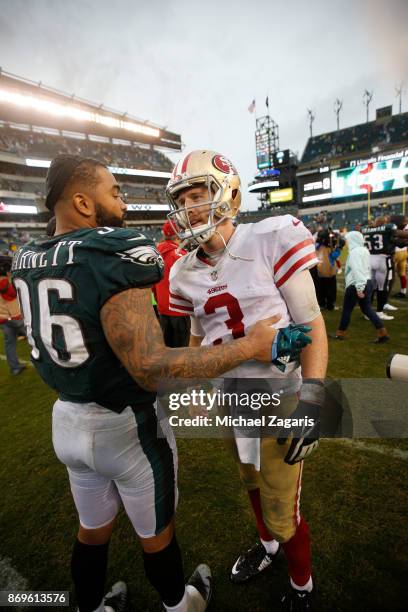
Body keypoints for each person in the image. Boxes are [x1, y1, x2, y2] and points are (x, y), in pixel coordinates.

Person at [11, 154, 289, 612]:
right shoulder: (111, 250)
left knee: (91, 530)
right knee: (156, 536)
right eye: (114, 191)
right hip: (126, 425)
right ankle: (180, 603)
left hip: (66, 418)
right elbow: (151, 367)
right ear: (83, 201)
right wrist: (251, 347)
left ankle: (90, 607)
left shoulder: (27, 257)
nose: (122, 201)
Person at [167, 150, 328, 610]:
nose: (188, 209)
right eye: (181, 200)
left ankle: (302, 587)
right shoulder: (182, 271)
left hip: (279, 397)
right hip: (230, 398)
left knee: (284, 510)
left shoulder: (270, 237)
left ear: (229, 194)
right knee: (250, 482)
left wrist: (313, 402)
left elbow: (312, 324)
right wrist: (196, 385)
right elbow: (199, 338)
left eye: (197, 195)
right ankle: (270, 549)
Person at [330, 231, 389, 343]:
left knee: (347, 310)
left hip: (357, 283)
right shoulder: (364, 250)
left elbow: (357, 270)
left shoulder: (355, 252)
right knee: (367, 309)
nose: (346, 242)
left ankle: (340, 333)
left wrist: (359, 287)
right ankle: (383, 333)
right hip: (367, 281)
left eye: (348, 240)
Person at [361, 216, 408, 319]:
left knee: (370, 287)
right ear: (384, 223)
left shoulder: (365, 229)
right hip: (382, 260)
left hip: (369, 259)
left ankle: (367, 313)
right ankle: (379, 312)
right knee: (383, 287)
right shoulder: (388, 228)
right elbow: (402, 234)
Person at [153, 220, 190, 347]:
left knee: (168, 349)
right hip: (181, 311)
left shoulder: (155, 253)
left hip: (163, 310)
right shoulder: (180, 255)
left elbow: (153, 285)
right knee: (183, 351)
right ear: (178, 234)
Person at [0, 254, 26, 375]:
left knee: (10, 345)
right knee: (36, 338)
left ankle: (15, 367)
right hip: (15, 317)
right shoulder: (3, 281)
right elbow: (11, 295)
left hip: (3, 318)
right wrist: (10, 278)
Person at [391, 215, 408, 299]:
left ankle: (385, 290)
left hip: (395, 252)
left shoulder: (394, 227)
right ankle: (403, 291)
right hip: (404, 252)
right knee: (402, 273)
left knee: (390, 274)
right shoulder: (405, 227)